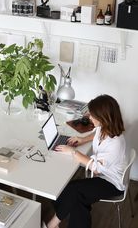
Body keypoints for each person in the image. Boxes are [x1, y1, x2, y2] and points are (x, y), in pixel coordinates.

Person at [47, 94, 126, 228]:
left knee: (73, 191)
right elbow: (96, 133)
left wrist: (73, 152)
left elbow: (95, 168)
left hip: (111, 182)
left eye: (92, 114)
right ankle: (57, 220)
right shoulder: (105, 127)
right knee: (75, 196)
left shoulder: (115, 143)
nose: (89, 116)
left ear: (103, 117)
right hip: (102, 175)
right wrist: (82, 139)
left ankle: (52, 224)